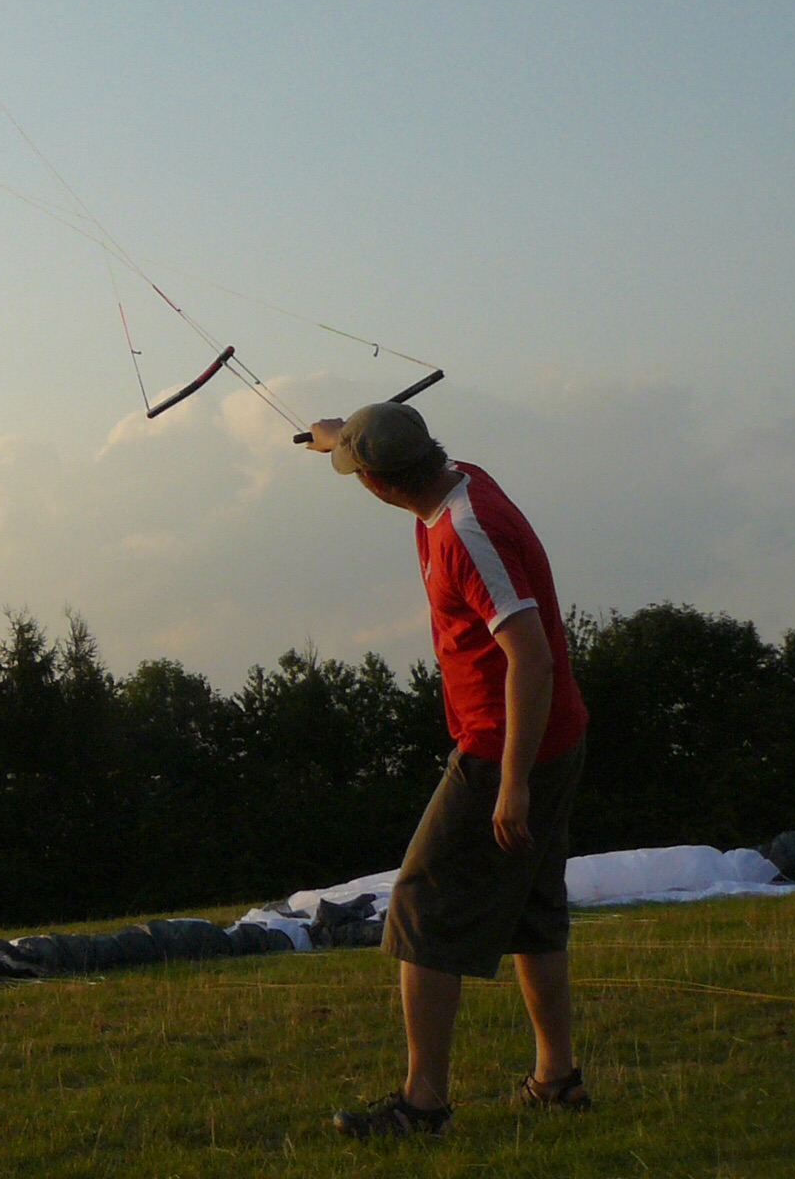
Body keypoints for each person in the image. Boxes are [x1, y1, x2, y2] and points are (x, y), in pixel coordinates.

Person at [305, 401, 592, 1139]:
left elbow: (529, 655)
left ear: (379, 485)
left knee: (421, 908)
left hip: (507, 747)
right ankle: (556, 1081)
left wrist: (514, 782)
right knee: (531, 910)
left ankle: (422, 1105)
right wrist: (336, 437)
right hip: (548, 736)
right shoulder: (458, 481)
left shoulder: (469, 533)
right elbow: (379, 451)